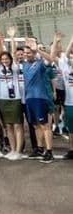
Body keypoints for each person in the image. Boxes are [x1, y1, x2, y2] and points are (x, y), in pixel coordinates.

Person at [21, 34, 61, 164]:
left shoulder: (40, 64)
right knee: (35, 125)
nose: (26, 55)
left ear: (34, 53)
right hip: (29, 99)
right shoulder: (24, 65)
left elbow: (51, 58)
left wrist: (37, 49)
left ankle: (49, 151)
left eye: (29, 52)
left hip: (40, 98)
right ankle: (39, 148)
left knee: (45, 126)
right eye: (25, 53)